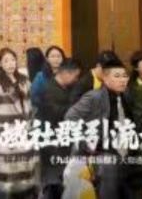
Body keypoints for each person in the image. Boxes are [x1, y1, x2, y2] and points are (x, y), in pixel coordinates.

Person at [65, 59, 131, 198]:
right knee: (108, 191)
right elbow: (70, 117)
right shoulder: (94, 96)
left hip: (123, 152)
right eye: (117, 76)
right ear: (105, 78)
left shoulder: (125, 96)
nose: (122, 80)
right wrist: (88, 141)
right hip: (102, 153)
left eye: (125, 76)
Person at [0, 47, 37, 198]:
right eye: (6, 61)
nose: (11, 64)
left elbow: (31, 108)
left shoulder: (24, 81)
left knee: (25, 175)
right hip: (4, 136)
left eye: (13, 60)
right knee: (7, 180)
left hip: (23, 135)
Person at [38, 58, 81, 195]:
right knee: (54, 180)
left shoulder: (67, 87)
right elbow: (55, 114)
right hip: (52, 142)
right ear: (66, 73)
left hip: (64, 140)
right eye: (75, 76)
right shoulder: (49, 90)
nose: (76, 80)